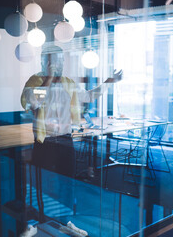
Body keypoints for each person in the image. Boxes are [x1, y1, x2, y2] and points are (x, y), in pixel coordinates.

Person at [20, 45, 122, 222]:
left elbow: (88, 96)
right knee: (42, 182)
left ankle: (66, 216)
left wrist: (109, 81)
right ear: (44, 62)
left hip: (66, 140)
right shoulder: (34, 81)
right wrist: (48, 79)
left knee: (67, 181)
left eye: (60, 60)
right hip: (45, 141)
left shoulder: (68, 83)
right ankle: (42, 218)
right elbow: (33, 103)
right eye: (52, 61)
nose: (57, 64)